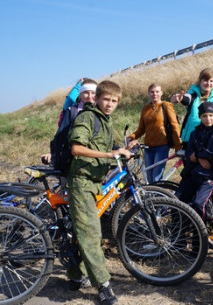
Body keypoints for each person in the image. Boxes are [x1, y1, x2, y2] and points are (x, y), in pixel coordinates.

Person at [67, 80, 132, 305]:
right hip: (81, 182)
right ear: (96, 98)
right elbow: (76, 148)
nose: (110, 104)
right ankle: (103, 286)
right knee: (92, 234)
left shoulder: (105, 121)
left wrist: (127, 147)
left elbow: (108, 145)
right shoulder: (87, 117)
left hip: (92, 183)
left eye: (114, 101)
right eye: (106, 99)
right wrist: (110, 156)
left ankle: (77, 275)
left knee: (82, 230)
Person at [174, 102, 213, 220]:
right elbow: (189, 151)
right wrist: (200, 157)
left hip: (212, 174)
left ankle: (203, 232)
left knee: (198, 205)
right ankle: (180, 233)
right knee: (176, 202)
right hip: (193, 173)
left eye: (211, 115)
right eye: (204, 116)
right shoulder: (195, 132)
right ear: (200, 117)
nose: (208, 119)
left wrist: (198, 154)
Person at [127, 83, 182, 183]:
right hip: (148, 148)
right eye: (152, 92)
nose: (154, 94)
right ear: (148, 93)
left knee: (156, 178)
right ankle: (152, 197)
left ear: (161, 93)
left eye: (157, 91)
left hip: (162, 146)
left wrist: (178, 146)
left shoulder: (166, 106)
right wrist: (132, 136)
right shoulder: (145, 109)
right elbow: (141, 129)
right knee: (149, 177)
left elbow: (174, 126)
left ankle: (157, 197)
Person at [41, 78, 98, 164]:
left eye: (93, 93)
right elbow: (60, 136)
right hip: (73, 159)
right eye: (86, 92)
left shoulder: (101, 112)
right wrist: (53, 154)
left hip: (95, 158)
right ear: (80, 94)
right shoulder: (72, 111)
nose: (90, 96)